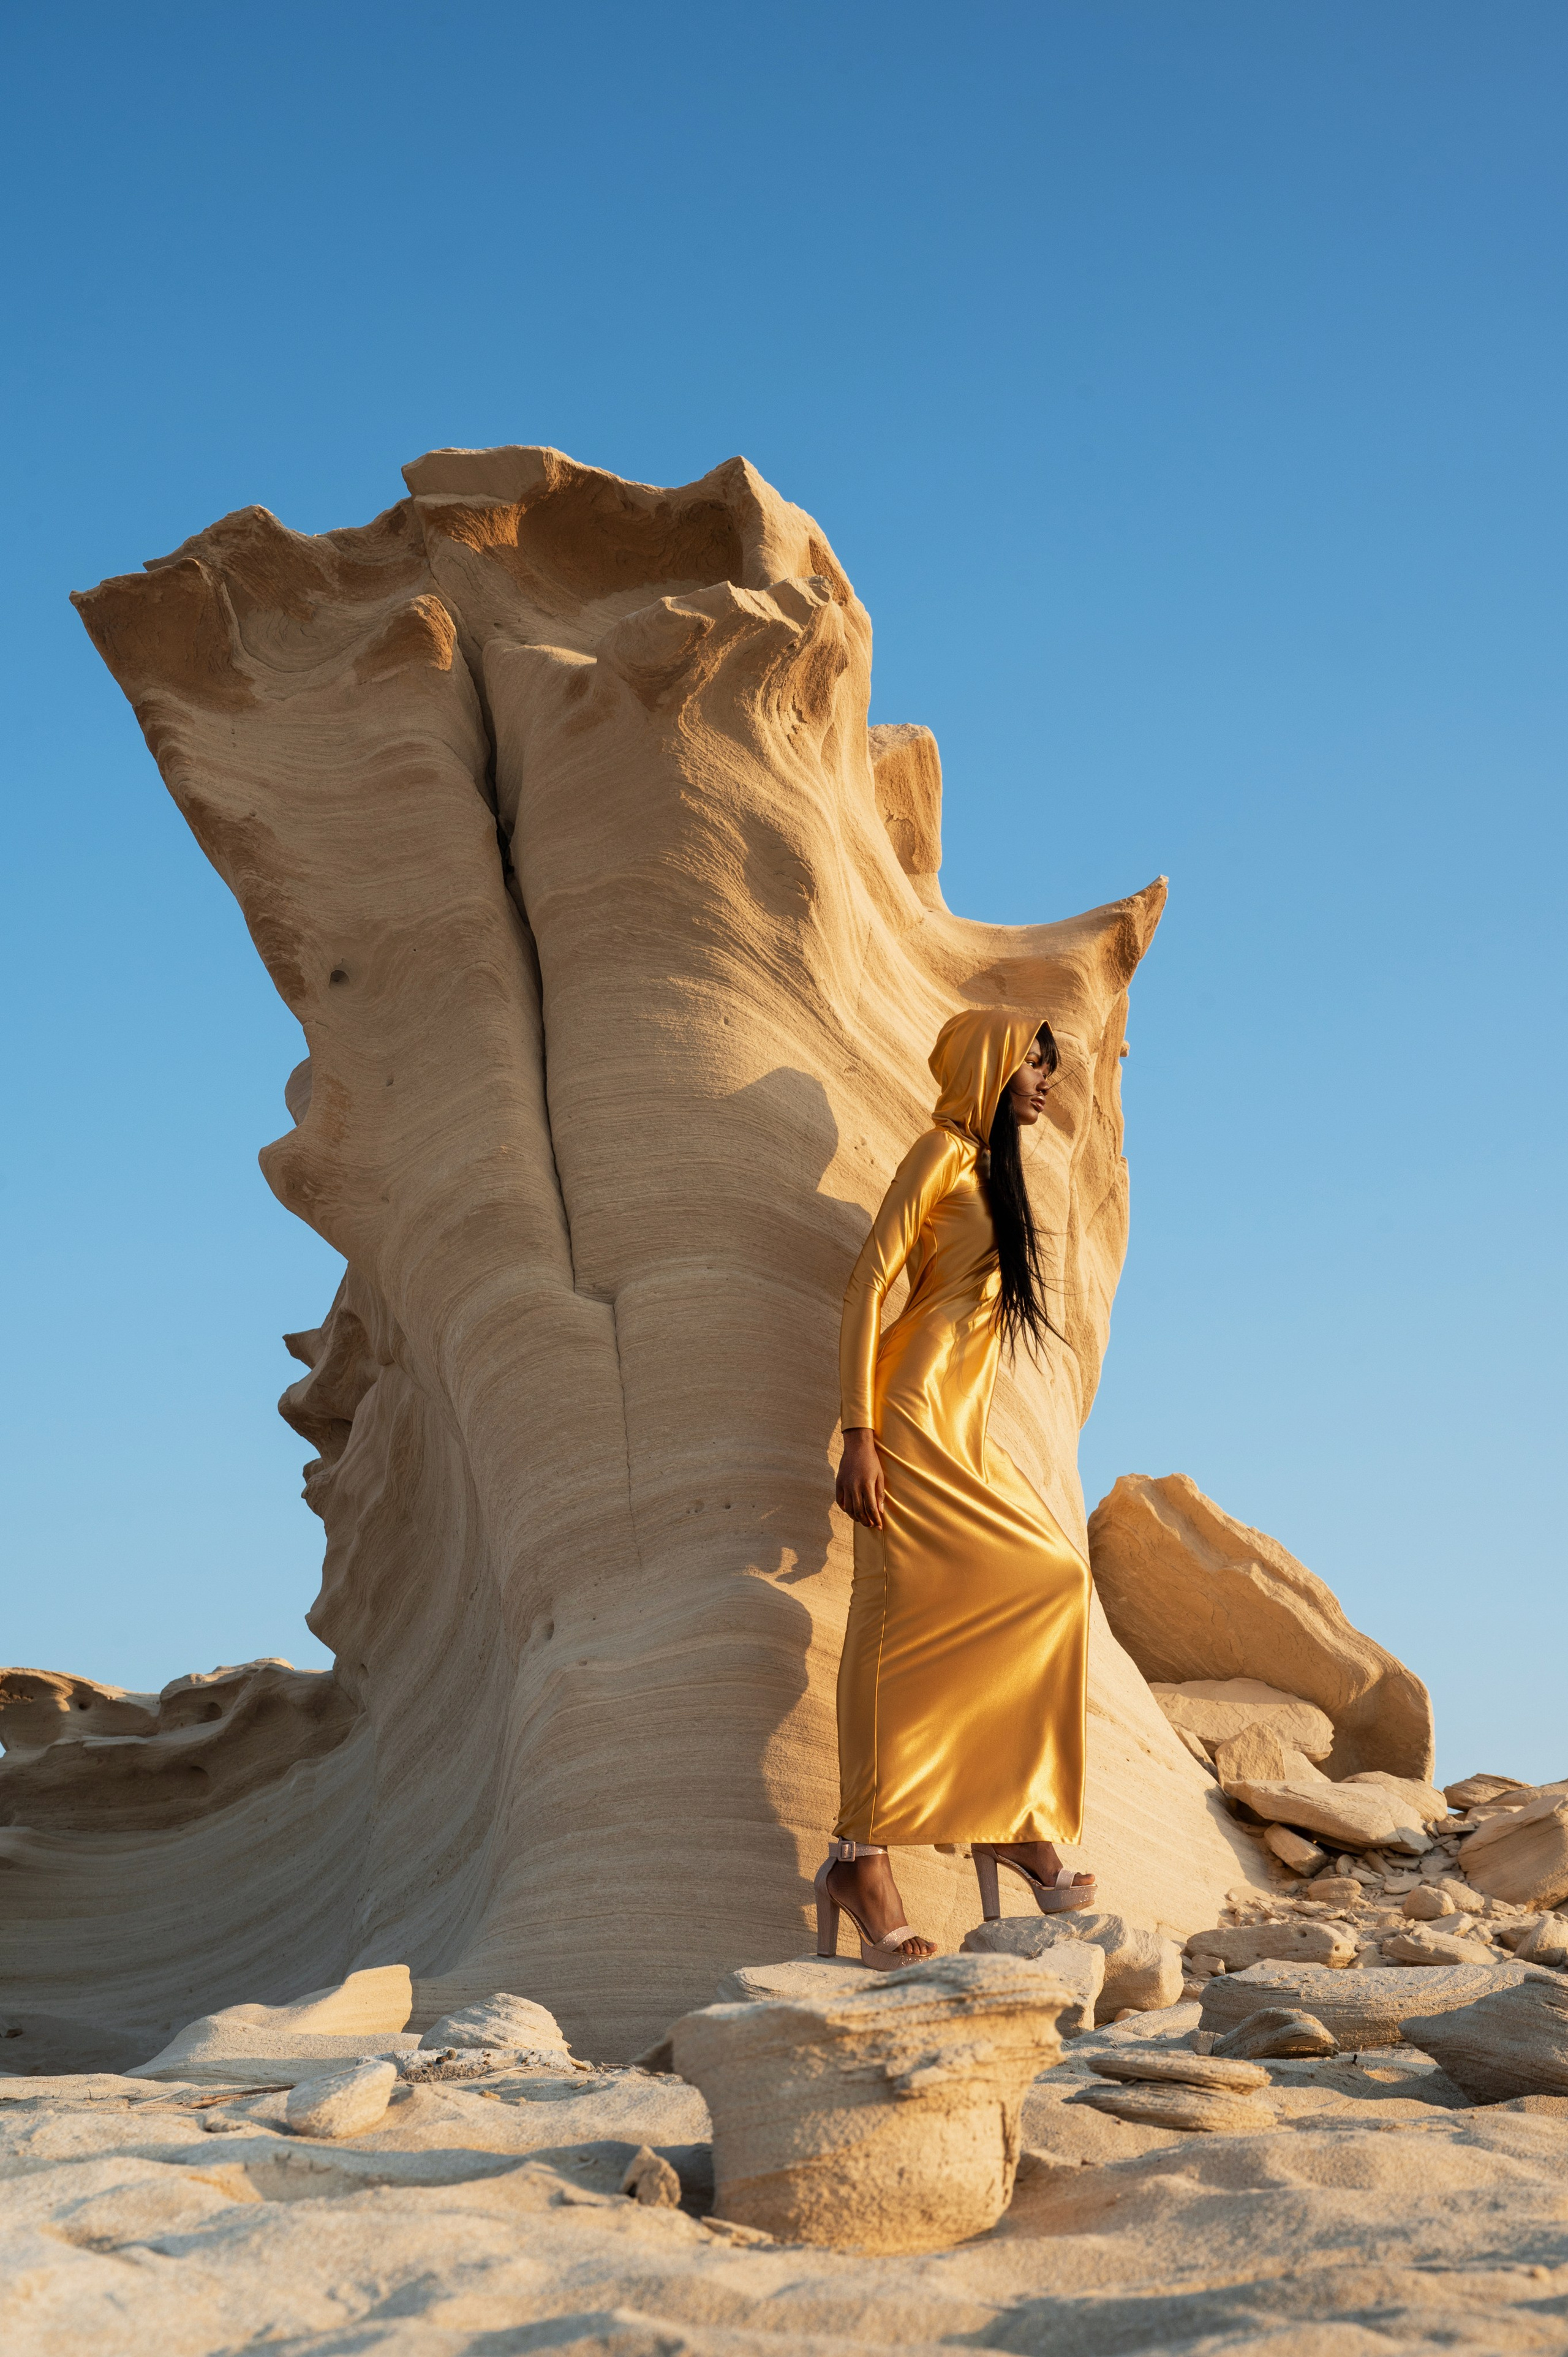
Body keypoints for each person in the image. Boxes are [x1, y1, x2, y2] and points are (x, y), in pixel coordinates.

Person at [813, 1006, 1096, 1967]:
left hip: (959, 1428)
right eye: (1033, 1062)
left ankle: (1006, 1817)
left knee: (1049, 1582)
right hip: (904, 1415)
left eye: (1051, 1065)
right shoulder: (940, 1150)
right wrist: (858, 1430)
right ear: (989, 1065)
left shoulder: (991, 1172)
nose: (1046, 1079)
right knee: (888, 1620)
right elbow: (869, 1283)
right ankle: (860, 1861)